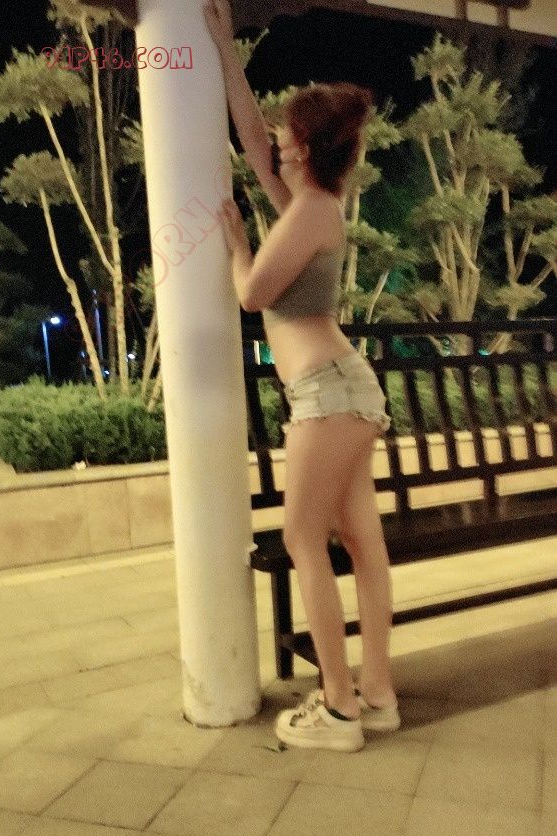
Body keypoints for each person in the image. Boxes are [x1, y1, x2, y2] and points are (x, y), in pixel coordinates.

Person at [204, 0, 400, 752]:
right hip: (342, 390)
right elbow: (252, 141)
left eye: (289, 133)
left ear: (308, 148)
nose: (277, 139)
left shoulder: (311, 211)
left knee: (302, 540)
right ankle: (376, 695)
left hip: (327, 395)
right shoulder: (310, 203)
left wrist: (236, 244)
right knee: (360, 543)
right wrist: (225, 48)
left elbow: (253, 294)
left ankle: (340, 708)